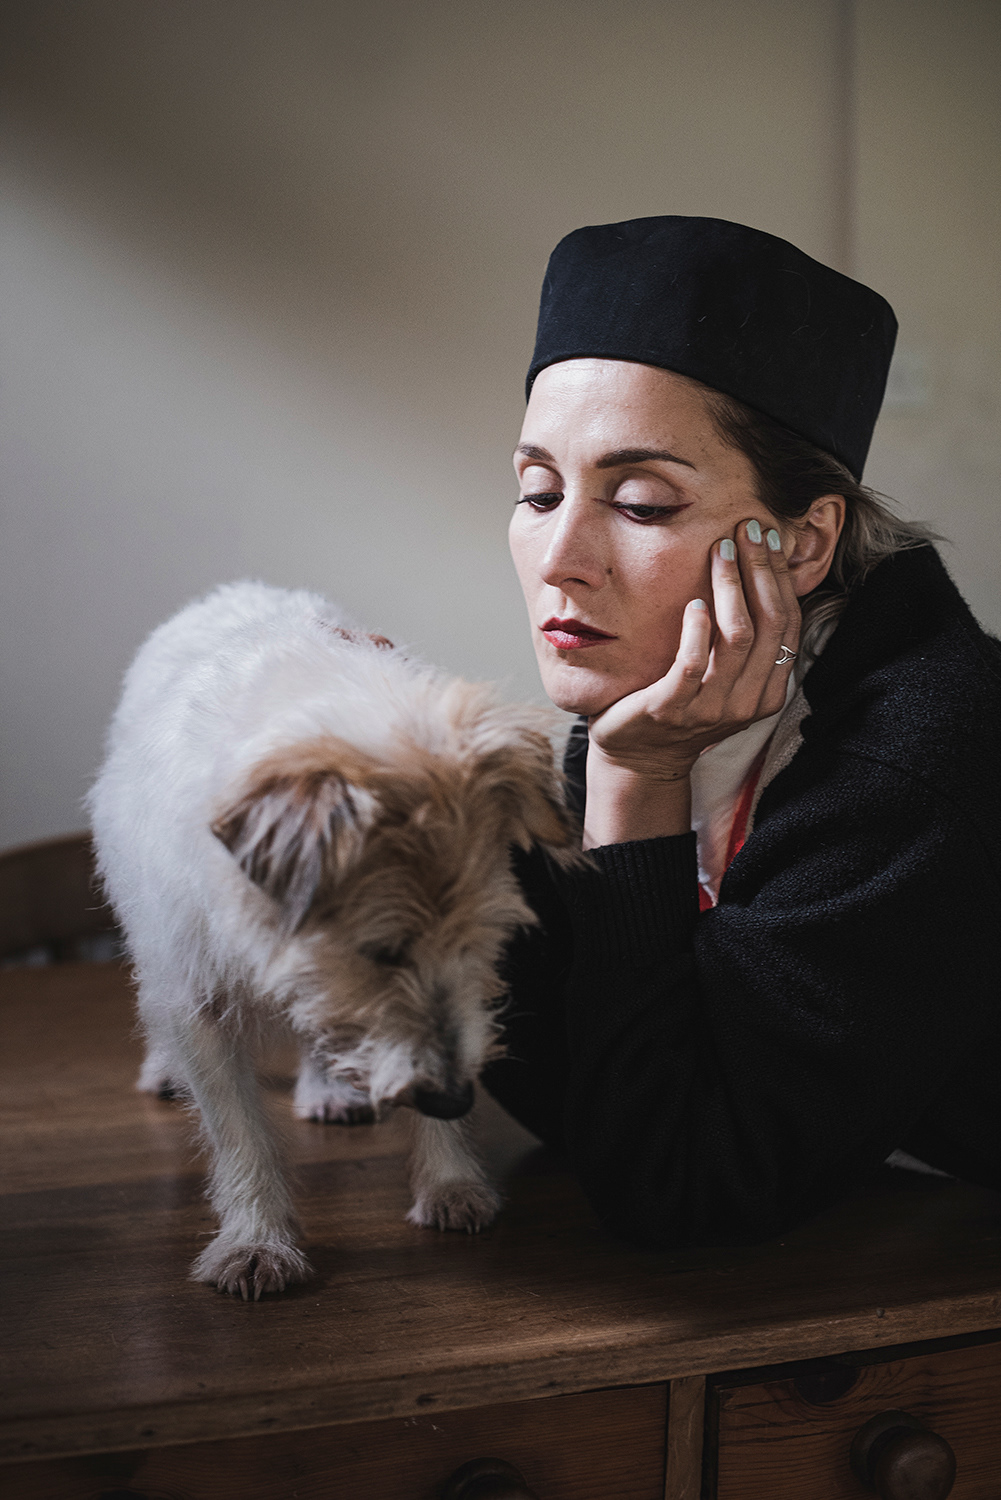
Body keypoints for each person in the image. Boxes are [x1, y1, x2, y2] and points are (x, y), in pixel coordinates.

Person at [480, 216, 1001, 1249]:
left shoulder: (927, 750)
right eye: (537, 491)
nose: (559, 557)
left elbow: (684, 1195)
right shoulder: (657, 680)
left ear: (803, 544)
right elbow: (590, 1097)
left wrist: (637, 784)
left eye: (637, 503)